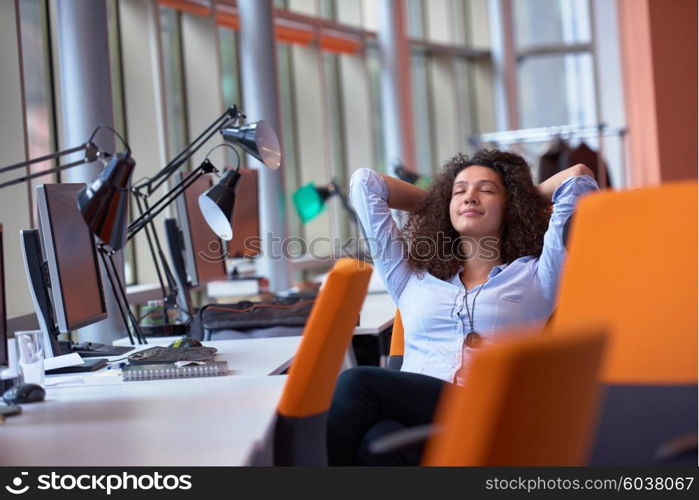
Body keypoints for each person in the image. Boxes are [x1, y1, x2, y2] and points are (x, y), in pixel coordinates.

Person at [327, 149, 598, 465]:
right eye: (459, 192)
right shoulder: (410, 278)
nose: (470, 197)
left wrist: (519, 201)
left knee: (356, 383)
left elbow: (578, 178)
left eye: (486, 190)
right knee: (380, 440)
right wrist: (439, 206)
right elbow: (365, 184)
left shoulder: (537, 276)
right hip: (420, 410)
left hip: (493, 407)